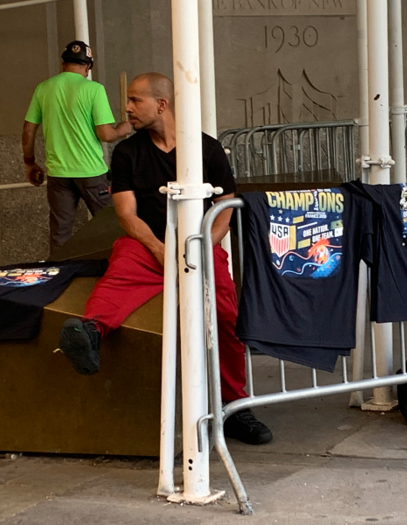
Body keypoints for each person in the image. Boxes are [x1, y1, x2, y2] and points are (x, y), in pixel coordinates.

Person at [57, 73, 273, 445]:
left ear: (162, 103)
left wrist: (206, 242)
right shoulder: (127, 152)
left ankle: (234, 406)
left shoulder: (205, 148)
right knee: (119, 274)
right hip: (146, 244)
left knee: (224, 315)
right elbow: (126, 214)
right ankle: (90, 332)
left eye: (134, 100)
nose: (126, 108)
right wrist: (160, 250)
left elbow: (225, 207)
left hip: (199, 243)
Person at [22, 40, 132, 253]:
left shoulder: (43, 88)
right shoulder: (94, 89)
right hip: (91, 172)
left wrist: (30, 163)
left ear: (63, 64)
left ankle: (60, 277)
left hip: (58, 174)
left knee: (60, 233)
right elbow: (106, 134)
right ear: (88, 67)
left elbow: (28, 130)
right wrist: (123, 129)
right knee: (111, 227)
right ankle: (114, 272)